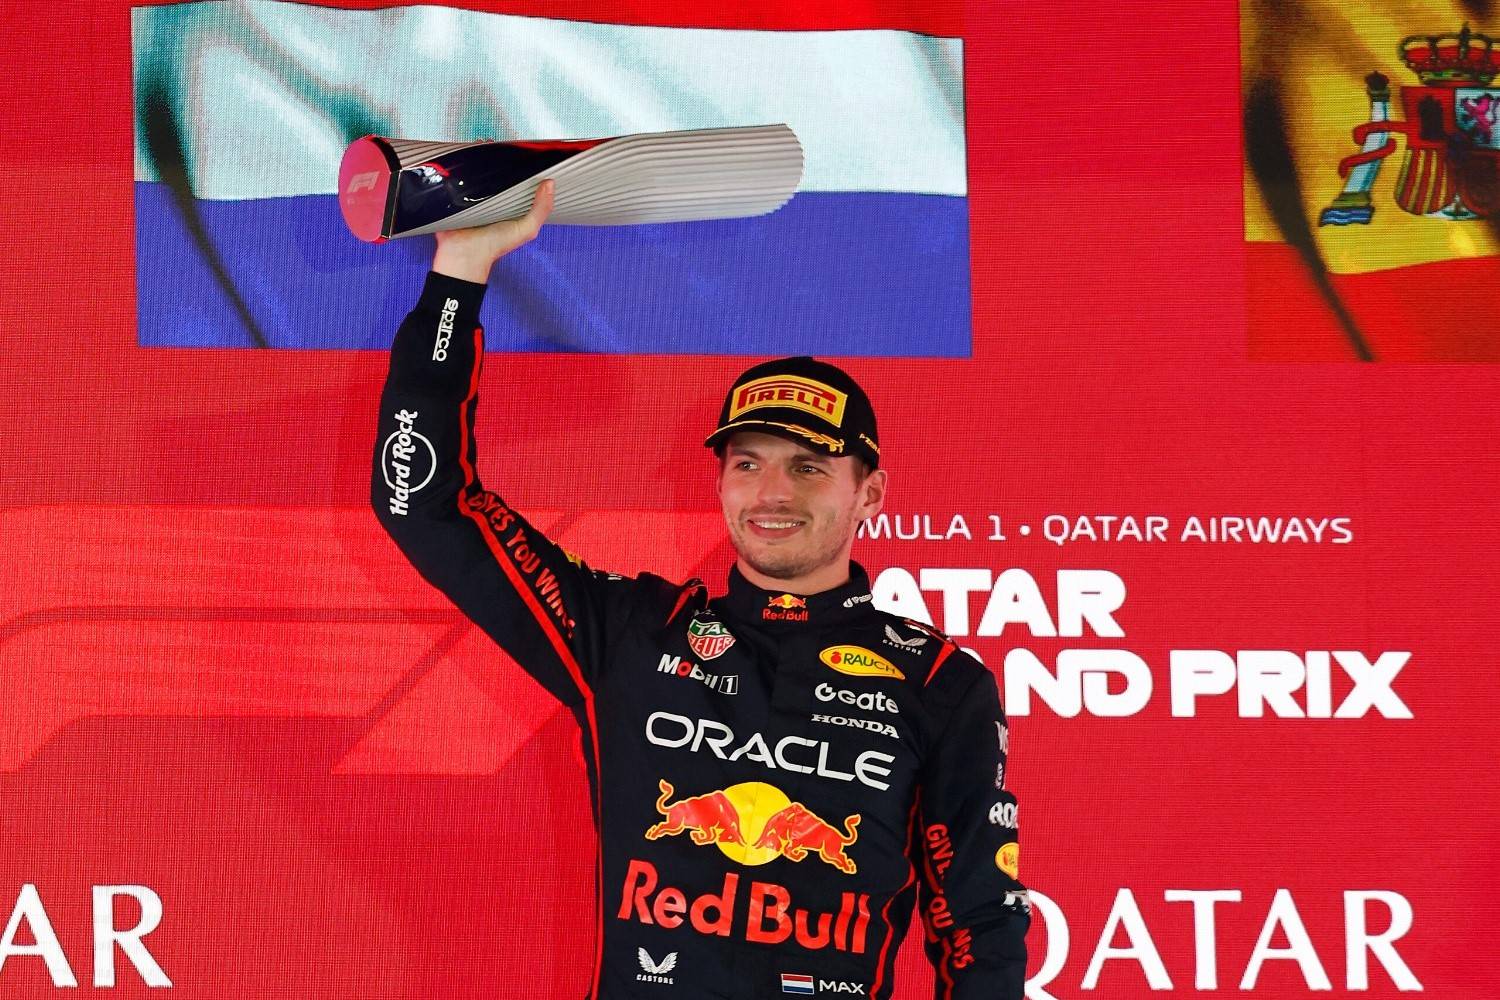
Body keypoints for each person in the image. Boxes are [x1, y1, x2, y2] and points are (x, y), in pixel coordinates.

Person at [371, 179, 1029, 999]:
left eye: (808, 468)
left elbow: (980, 926)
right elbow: (426, 504)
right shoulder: (631, 633)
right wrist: (460, 272)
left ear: (870, 494)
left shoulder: (938, 684)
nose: (771, 494)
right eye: (746, 464)